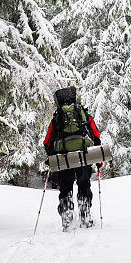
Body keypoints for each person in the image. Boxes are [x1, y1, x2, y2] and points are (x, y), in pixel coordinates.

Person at [43, 86, 103, 230]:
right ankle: (85, 219)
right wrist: (98, 158)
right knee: (84, 186)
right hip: (84, 156)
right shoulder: (83, 114)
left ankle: (67, 221)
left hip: (64, 159)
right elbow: (95, 135)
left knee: (65, 189)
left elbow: (47, 141)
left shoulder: (57, 117)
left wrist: (52, 157)